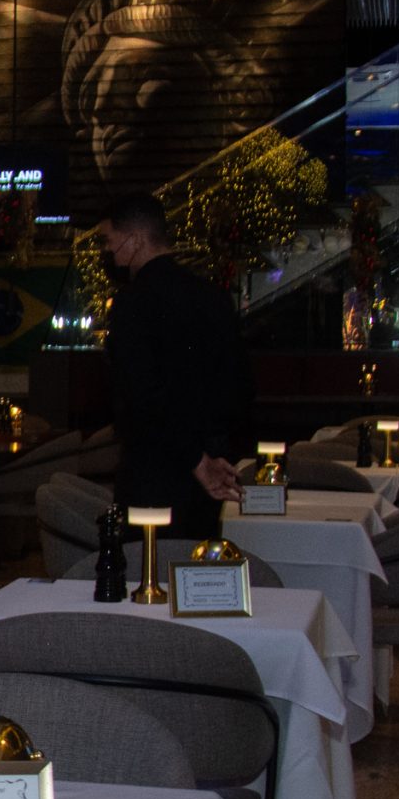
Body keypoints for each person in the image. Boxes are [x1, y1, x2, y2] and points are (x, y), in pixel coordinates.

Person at [101, 193, 251, 539]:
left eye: (109, 241)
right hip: (214, 465)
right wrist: (214, 451)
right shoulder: (213, 296)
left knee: (149, 563)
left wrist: (194, 459)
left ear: (134, 240)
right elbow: (240, 383)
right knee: (200, 563)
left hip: (154, 470)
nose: (108, 251)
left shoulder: (132, 303)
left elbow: (141, 395)